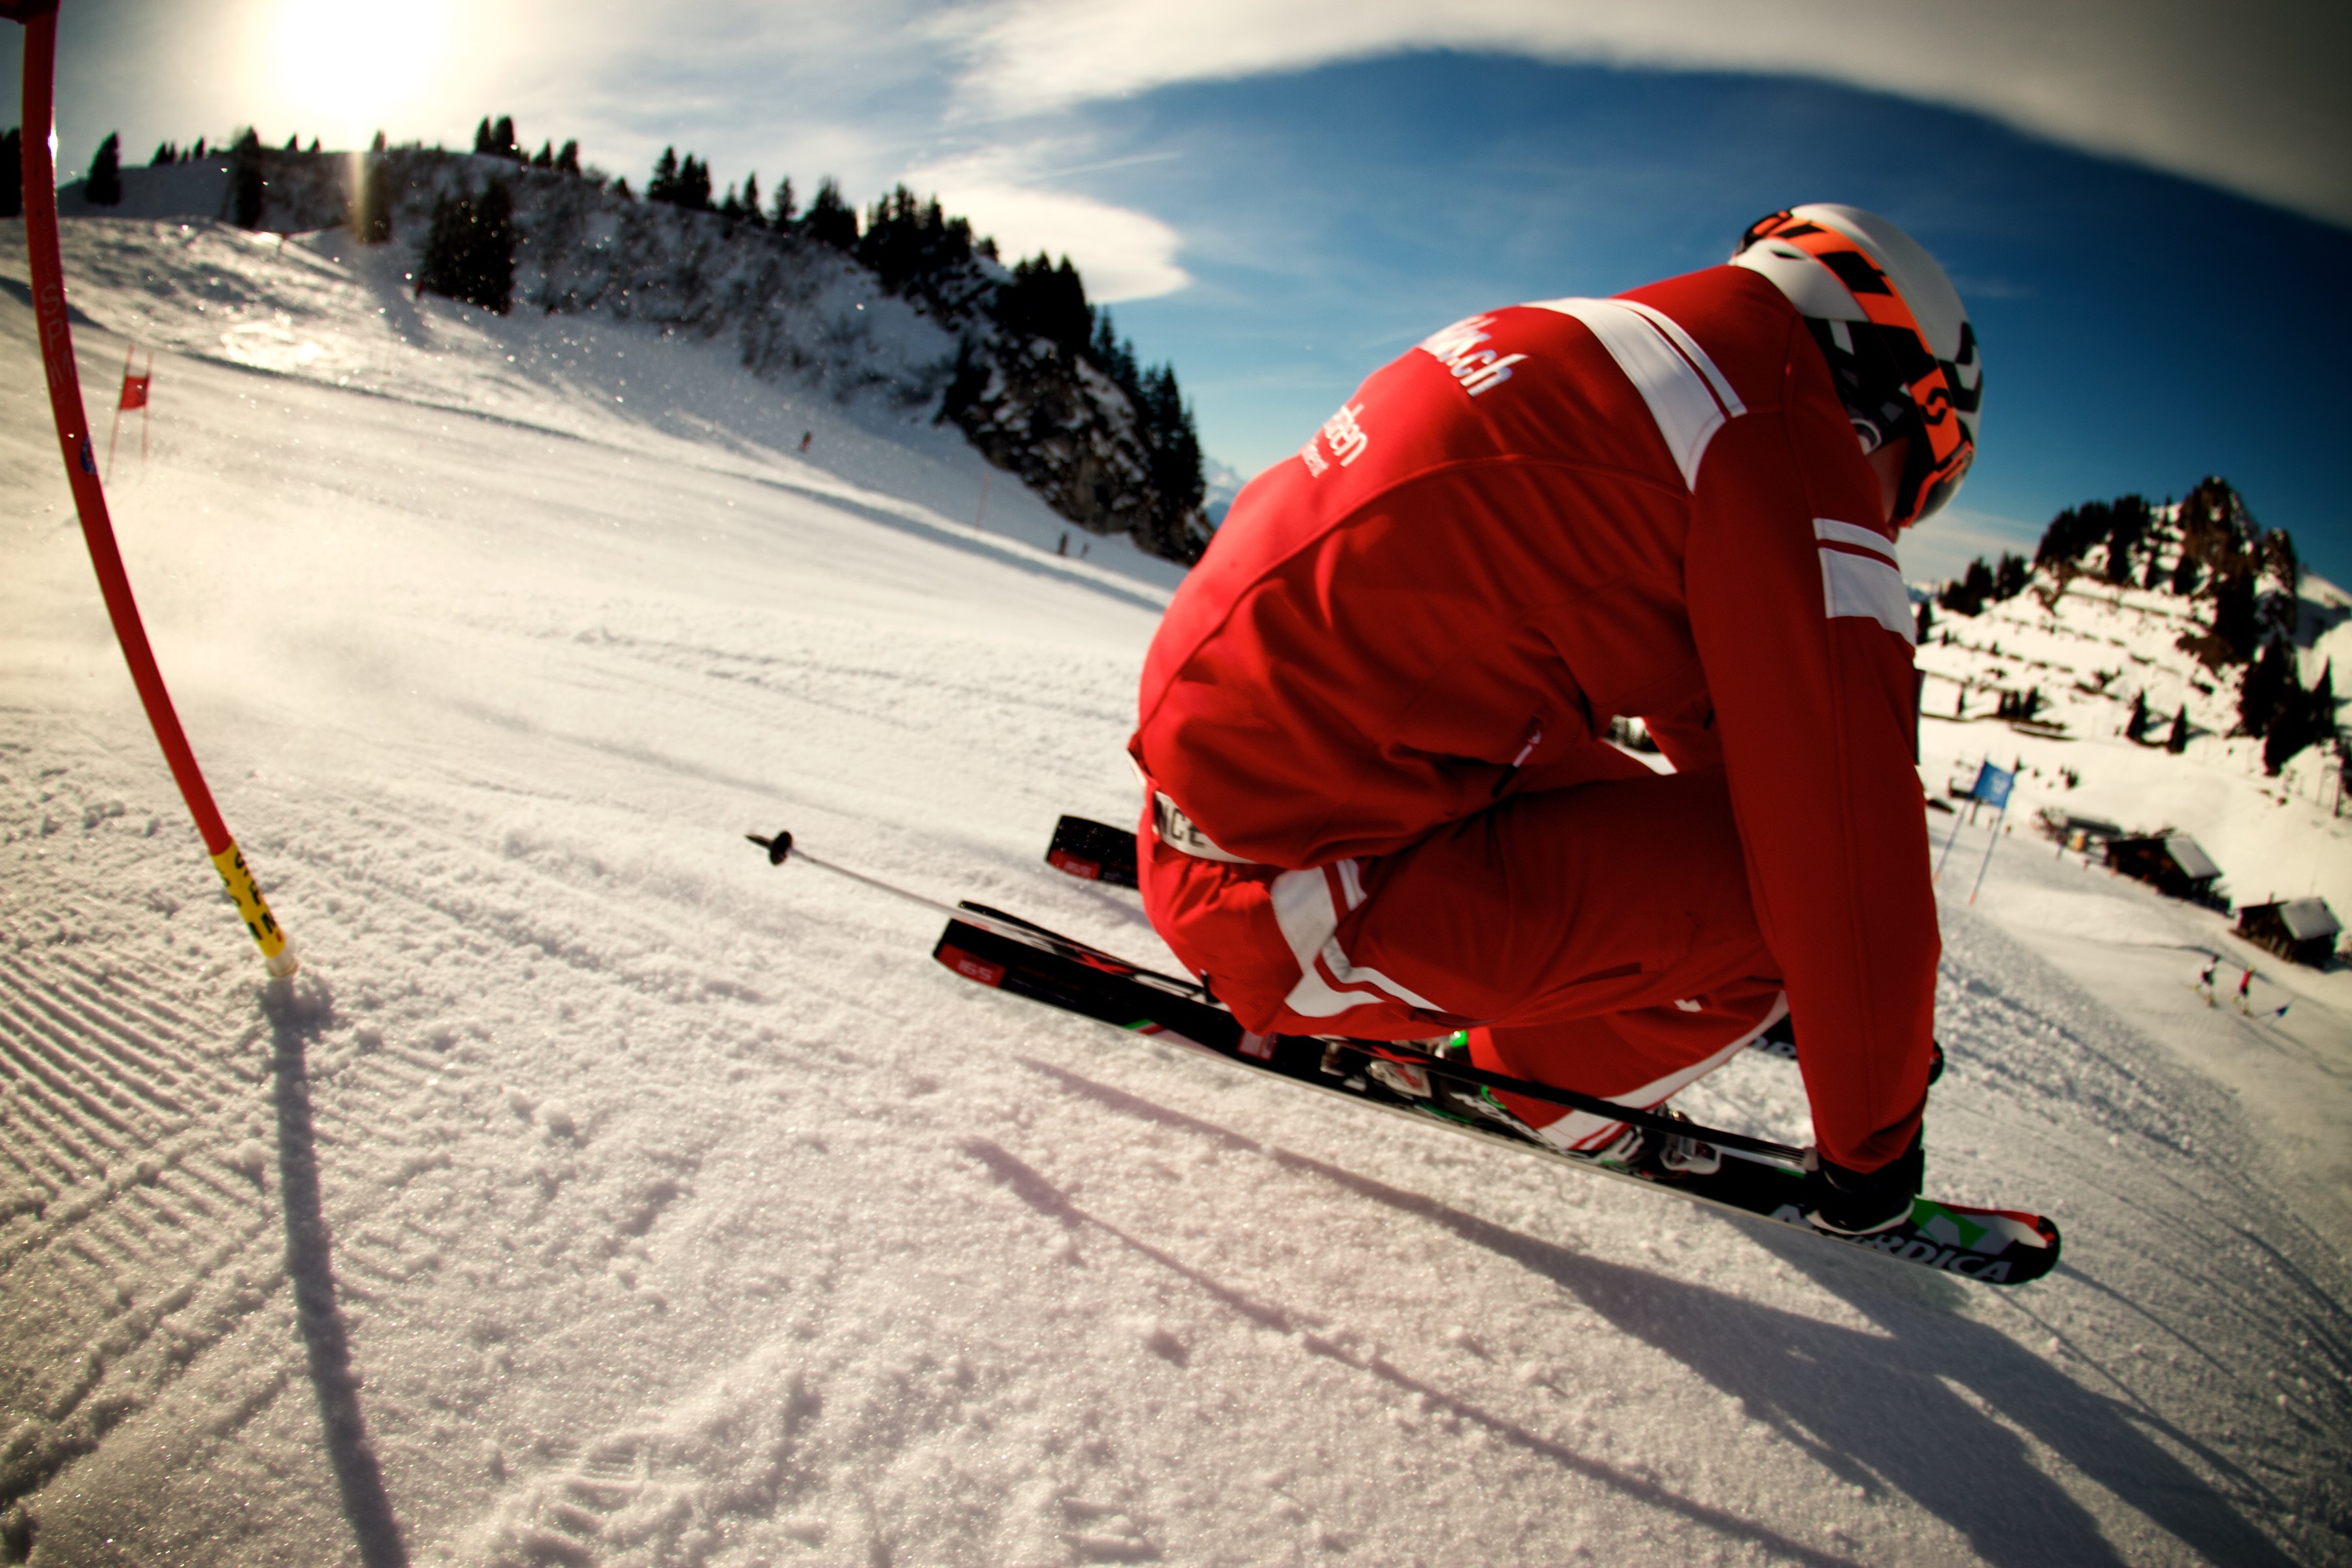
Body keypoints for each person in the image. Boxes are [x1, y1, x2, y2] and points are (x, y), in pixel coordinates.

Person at [1127, 204, 1982, 1235]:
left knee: (1768, 876)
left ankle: (1545, 998)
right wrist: (1874, 1145)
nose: (1888, 519)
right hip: (1288, 909)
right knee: (1781, 920)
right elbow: (1852, 848)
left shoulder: (1584, 346)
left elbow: (1727, 722)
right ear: (1901, 409)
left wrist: (1866, 1009)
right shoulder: (1783, 439)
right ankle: (1536, 1090)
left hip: (1246, 807)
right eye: (1914, 492)